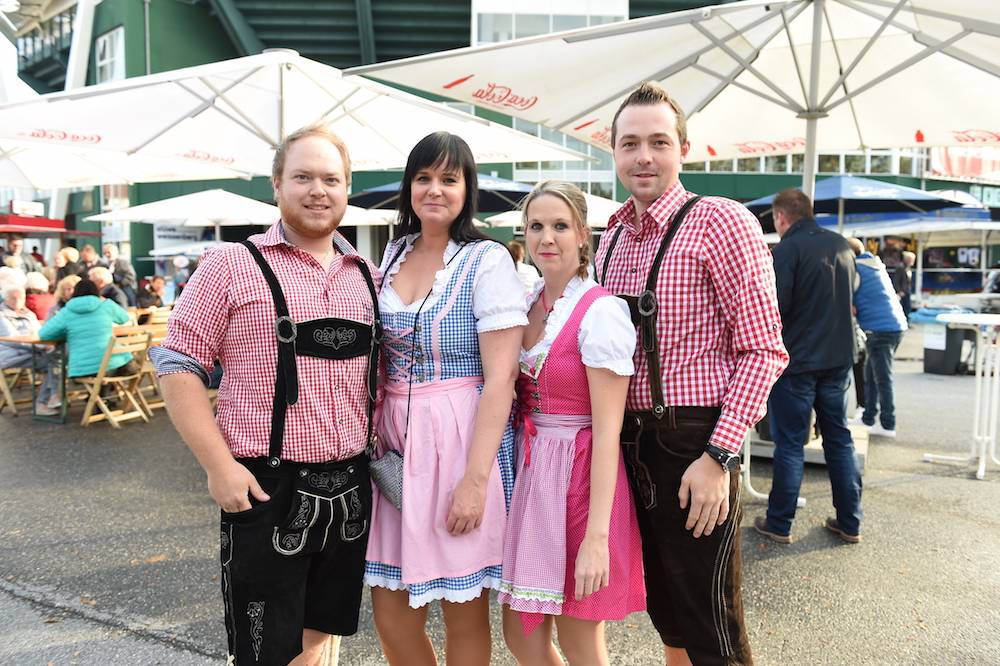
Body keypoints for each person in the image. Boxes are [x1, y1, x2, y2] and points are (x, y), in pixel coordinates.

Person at [150, 124, 379, 665]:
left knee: (323, 636)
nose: (318, 190)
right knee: (262, 652)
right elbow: (178, 365)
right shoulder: (231, 263)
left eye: (331, 179)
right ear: (277, 184)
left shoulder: (364, 274)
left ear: (347, 189)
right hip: (262, 483)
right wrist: (218, 466)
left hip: (350, 483)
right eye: (303, 176)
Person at [594, 82, 788, 666]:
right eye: (630, 144)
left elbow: (764, 350)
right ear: (615, 153)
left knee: (712, 627)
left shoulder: (721, 222)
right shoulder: (613, 237)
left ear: (683, 147)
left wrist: (719, 456)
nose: (644, 156)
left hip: (692, 444)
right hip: (627, 446)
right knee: (667, 615)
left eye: (658, 142)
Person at [365, 131, 526, 666]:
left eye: (449, 179)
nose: (435, 190)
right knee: (391, 617)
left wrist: (476, 482)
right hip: (394, 446)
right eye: (424, 177)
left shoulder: (486, 260)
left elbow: (501, 379)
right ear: (409, 186)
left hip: (460, 440)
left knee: (464, 616)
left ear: (467, 189)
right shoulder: (392, 254)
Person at [499, 181, 645, 664]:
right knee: (520, 634)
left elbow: (608, 434)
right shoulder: (526, 303)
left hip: (582, 482)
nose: (547, 238)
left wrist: (596, 540)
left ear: (583, 235)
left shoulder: (600, 311)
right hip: (532, 478)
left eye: (560, 226)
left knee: (581, 639)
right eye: (536, 226)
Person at [752, 189, 863, 546]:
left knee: (790, 444)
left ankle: (779, 523)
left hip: (798, 361)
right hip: (838, 358)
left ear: (781, 216)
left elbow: (774, 308)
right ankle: (850, 521)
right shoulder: (843, 246)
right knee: (839, 439)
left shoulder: (786, 251)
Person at [849, 240, 908, 438]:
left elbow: (847, 298)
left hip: (880, 329)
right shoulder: (874, 265)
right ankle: (868, 417)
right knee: (871, 375)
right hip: (895, 325)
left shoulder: (856, 269)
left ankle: (888, 424)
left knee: (882, 378)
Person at [38, 278, 135, 379]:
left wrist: (64, 333)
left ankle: (97, 392)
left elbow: (44, 334)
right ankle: (100, 392)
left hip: (83, 370)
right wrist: (105, 300)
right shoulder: (105, 306)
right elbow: (124, 318)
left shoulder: (67, 312)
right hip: (115, 365)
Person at [891, 250, 915, 318]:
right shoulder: (900, 268)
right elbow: (896, 281)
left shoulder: (908, 268)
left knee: (908, 307)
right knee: (904, 308)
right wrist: (899, 291)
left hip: (907, 291)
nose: (913, 261)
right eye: (911, 259)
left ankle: (907, 322)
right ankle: (904, 322)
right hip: (902, 292)